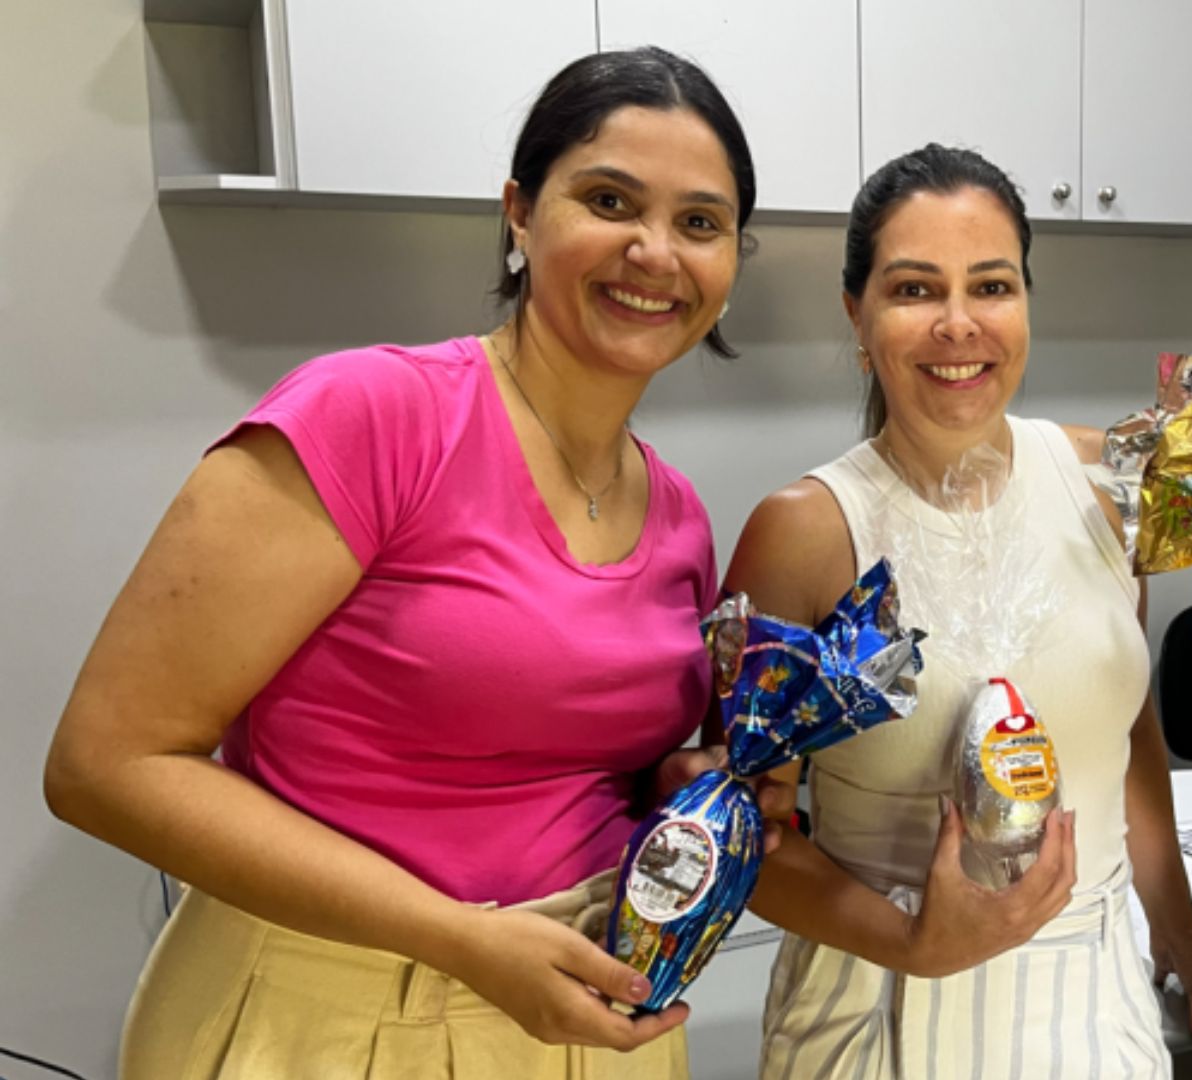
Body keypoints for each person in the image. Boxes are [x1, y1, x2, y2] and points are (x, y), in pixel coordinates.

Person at [43, 47, 790, 1080]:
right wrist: (462, 940)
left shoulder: (678, 516)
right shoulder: (373, 419)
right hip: (328, 1018)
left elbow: (568, 755)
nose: (654, 252)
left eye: (700, 223)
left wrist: (685, 789)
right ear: (520, 214)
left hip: (588, 1010)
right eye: (609, 200)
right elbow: (106, 767)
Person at [725, 144, 1192, 1079]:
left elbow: (1127, 734)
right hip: (884, 1000)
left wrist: (1177, 928)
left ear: (1026, 300)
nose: (958, 324)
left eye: (990, 286)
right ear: (857, 314)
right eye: (915, 290)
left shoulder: (1105, 485)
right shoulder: (805, 534)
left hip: (1092, 996)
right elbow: (741, 830)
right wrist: (916, 944)